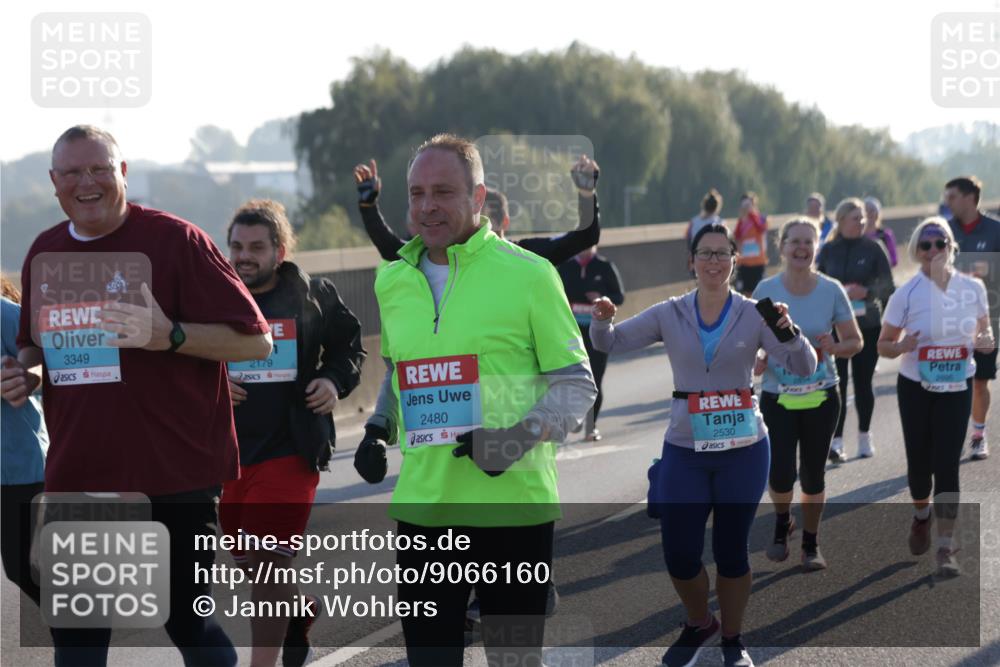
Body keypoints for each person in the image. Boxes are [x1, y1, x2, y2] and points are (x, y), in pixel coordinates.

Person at [1, 125, 272, 667]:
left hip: (175, 476)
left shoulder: (177, 241)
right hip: (81, 476)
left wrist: (169, 335)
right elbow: (36, 350)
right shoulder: (45, 252)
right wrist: (28, 377)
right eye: (73, 173)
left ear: (122, 173)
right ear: (55, 183)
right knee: (77, 641)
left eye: (100, 169)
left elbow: (256, 341)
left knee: (187, 624)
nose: (87, 182)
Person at [351, 134, 596, 667]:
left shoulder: (530, 275)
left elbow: (577, 383)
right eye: (416, 193)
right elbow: (401, 370)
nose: (426, 206)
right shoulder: (393, 280)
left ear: (478, 197)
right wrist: (378, 427)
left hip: (512, 508)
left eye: (443, 191)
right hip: (424, 509)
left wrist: (514, 440)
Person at [590, 223, 816, 667]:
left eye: (721, 253)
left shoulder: (755, 313)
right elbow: (612, 344)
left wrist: (788, 329)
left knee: (731, 552)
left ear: (735, 260)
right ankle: (700, 622)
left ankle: (733, 640)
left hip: (744, 449)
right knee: (678, 553)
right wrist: (602, 320)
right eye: (704, 253)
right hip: (685, 448)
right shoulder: (668, 313)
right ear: (691, 262)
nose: (713, 261)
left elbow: (804, 365)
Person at [221, 199, 366, 667]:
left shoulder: (312, 293)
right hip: (230, 452)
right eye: (237, 246)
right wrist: (215, 383)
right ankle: (298, 610)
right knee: (250, 561)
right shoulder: (215, 296)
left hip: (292, 448)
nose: (244, 256)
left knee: (266, 562)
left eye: (256, 247)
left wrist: (333, 380)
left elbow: (350, 347)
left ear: (279, 251)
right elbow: (183, 357)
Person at [877, 218, 994, 576]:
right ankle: (920, 514)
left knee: (947, 464)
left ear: (950, 247)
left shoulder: (972, 288)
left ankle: (945, 547)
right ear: (916, 250)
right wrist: (902, 346)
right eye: (925, 245)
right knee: (919, 467)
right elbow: (883, 345)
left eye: (939, 243)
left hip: (956, 386)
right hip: (916, 387)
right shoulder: (906, 293)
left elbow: (984, 328)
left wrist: (984, 340)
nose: (933, 251)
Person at [753, 219, 862, 570]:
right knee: (781, 474)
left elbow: (856, 342)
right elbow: (749, 343)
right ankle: (782, 522)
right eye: (794, 241)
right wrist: (758, 359)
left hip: (821, 396)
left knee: (813, 475)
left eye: (808, 242)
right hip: (777, 397)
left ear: (817, 247)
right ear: (782, 247)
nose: (801, 248)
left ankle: (811, 545)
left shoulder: (831, 289)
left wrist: (836, 345)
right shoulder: (764, 290)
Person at [354, 154, 601, 264]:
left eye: (487, 220)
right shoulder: (449, 255)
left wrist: (587, 193)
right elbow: (392, 250)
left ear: (505, 222)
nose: (477, 226)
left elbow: (584, 238)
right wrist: (368, 206)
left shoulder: (524, 254)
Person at [816, 197, 895, 461]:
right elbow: (816, 283)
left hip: (868, 326)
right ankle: (836, 440)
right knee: (836, 384)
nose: (862, 222)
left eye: (863, 217)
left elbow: (888, 287)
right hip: (834, 328)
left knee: (863, 383)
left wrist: (866, 291)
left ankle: (864, 435)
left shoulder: (874, 247)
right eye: (856, 218)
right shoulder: (828, 250)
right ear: (840, 220)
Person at [945, 176, 1000, 461]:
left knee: (980, 381)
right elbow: (929, 266)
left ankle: (978, 434)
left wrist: (987, 269)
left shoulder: (995, 230)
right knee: (952, 382)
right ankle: (949, 437)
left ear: (969, 197)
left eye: (952, 196)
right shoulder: (944, 231)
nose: (947, 202)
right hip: (947, 319)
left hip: (986, 318)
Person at [1, 276, 47, 606]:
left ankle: (81, 623)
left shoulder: (7, 315)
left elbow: (50, 365)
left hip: (18, 469)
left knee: (23, 568)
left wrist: (24, 378)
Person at [557, 245, 625, 441]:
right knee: (572, 377)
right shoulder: (566, 267)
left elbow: (619, 296)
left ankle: (591, 426)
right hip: (572, 332)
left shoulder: (605, 267)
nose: (583, 247)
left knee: (595, 378)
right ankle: (576, 416)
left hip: (598, 332)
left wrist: (602, 299)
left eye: (587, 241)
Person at [733, 192, 768, 296]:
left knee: (759, 292)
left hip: (758, 262)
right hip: (744, 264)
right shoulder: (741, 222)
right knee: (745, 292)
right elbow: (736, 236)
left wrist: (752, 214)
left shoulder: (760, 219)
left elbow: (761, 228)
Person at [863, 197, 899, 267]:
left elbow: (894, 260)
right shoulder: (858, 236)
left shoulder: (885, 235)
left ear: (877, 213)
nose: (868, 214)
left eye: (871, 211)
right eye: (866, 211)